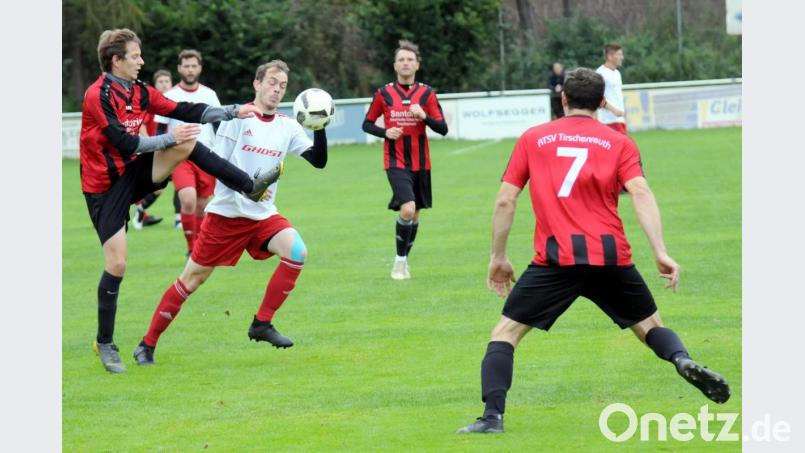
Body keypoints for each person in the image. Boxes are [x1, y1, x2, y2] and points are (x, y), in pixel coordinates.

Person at [457, 68, 730, 433]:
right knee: (650, 326)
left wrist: (498, 257)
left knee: (505, 334)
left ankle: (492, 417)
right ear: (602, 103)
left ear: (564, 99)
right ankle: (681, 359)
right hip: (611, 256)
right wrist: (661, 251)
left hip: (556, 261)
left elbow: (507, 199)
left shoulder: (533, 138)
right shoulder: (619, 143)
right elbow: (641, 192)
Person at [81, 28, 278, 373]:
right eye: (135, 55)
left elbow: (182, 109)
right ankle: (106, 343)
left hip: (134, 173)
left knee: (185, 144)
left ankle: (248, 185)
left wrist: (232, 111)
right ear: (116, 60)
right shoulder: (96, 95)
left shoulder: (140, 92)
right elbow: (126, 144)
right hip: (104, 188)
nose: (141, 61)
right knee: (117, 265)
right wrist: (169, 137)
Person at [132, 60, 328, 365]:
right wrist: (244, 186)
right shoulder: (236, 120)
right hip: (225, 216)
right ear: (257, 84)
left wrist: (320, 128)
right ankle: (147, 343)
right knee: (191, 281)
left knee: (298, 252)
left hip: (263, 216)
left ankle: (261, 324)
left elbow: (318, 161)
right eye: (272, 82)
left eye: (283, 86)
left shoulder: (288, 126)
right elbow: (217, 166)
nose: (277, 89)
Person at [362, 39, 448, 280]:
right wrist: (385, 132)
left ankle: (404, 260)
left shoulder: (427, 94)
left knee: (416, 213)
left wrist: (424, 116)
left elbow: (442, 128)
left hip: (422, 164)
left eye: (410, 59)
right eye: (401, 59)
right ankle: (399, 263)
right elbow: (366, 123)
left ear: (417, 65)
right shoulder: (384, 93)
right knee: (408, 209)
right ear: (395, 66)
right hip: (395, 161)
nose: (405, 63)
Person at [155, 50, 223, 255]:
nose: (190, 69)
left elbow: (219, 126)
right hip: (180, 156)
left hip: (207, 157)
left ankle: (199, 247)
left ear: (200, 68)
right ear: (179, 68)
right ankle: (191, 248)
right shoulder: (169, 96)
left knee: (202, 206)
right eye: (186, 66)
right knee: (188, 200)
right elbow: (160, 130)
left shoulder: (209, 95)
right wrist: (159, 162)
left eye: (194, 66)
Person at [131, 69, 175, 230]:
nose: (164, 85)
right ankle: (137, 212)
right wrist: (150, 143)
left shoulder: (175, 101)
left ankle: (178, 219)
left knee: (171, 186)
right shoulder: (152, 103)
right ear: (155, 85)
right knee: (156, 188)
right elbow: (141, 123)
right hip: (155, 150)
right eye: (160, 82)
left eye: (167, 81)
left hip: (170, 150)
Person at [596, 43, 627, 134]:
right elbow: (597, 98)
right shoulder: (600, 74)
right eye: (619, 54)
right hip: (607, 122)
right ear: (609, 56)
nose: (622, 57)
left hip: (619, 121)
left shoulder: (617, 73)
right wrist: (614, 110)